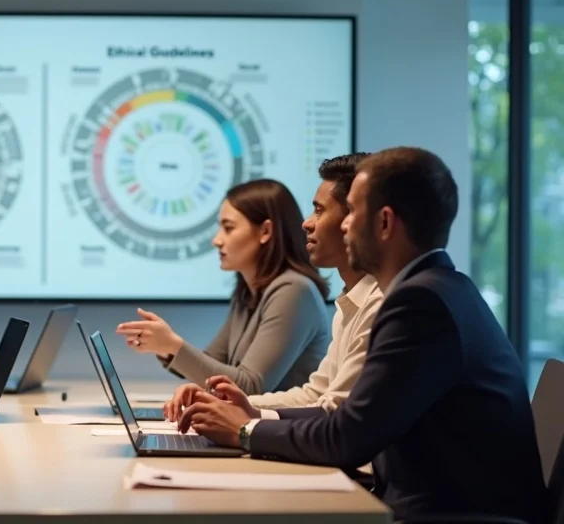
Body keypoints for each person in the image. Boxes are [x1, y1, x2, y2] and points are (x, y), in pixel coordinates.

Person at [174, 147, 547, 523]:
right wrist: (253, 415)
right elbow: (345, 416)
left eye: (351, 211)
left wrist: (244, 430)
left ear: (384, 224)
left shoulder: (419, 304)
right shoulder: (438, 289)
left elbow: (347, 437)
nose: (344, 225)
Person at [164, 154, 384, 420]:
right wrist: (232, 405)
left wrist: (247, 422)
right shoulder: (348, 302)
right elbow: (316, 395)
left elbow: (333, 413)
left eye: (319, 210)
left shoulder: (297, 290)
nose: (307, 223)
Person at [116, 178, 330, 395]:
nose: (216, 240)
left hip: (286, 427)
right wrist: (164, 346)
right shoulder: (249, 291)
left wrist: (173, 345)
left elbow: (249, 387)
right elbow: (212, 362)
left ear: (265, 232)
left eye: (228, 228)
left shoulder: (294, 291)